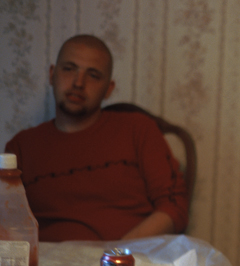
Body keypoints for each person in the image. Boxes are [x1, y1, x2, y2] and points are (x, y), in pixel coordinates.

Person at [4, 34, 189, 242]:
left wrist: (114, 254)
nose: (78, 82)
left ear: (109, 89)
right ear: (51, 74)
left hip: (125, 264)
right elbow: (6, 222)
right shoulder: (22, 146)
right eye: (69, 69)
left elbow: (174, 207)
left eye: (93, 75)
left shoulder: (138, 130)